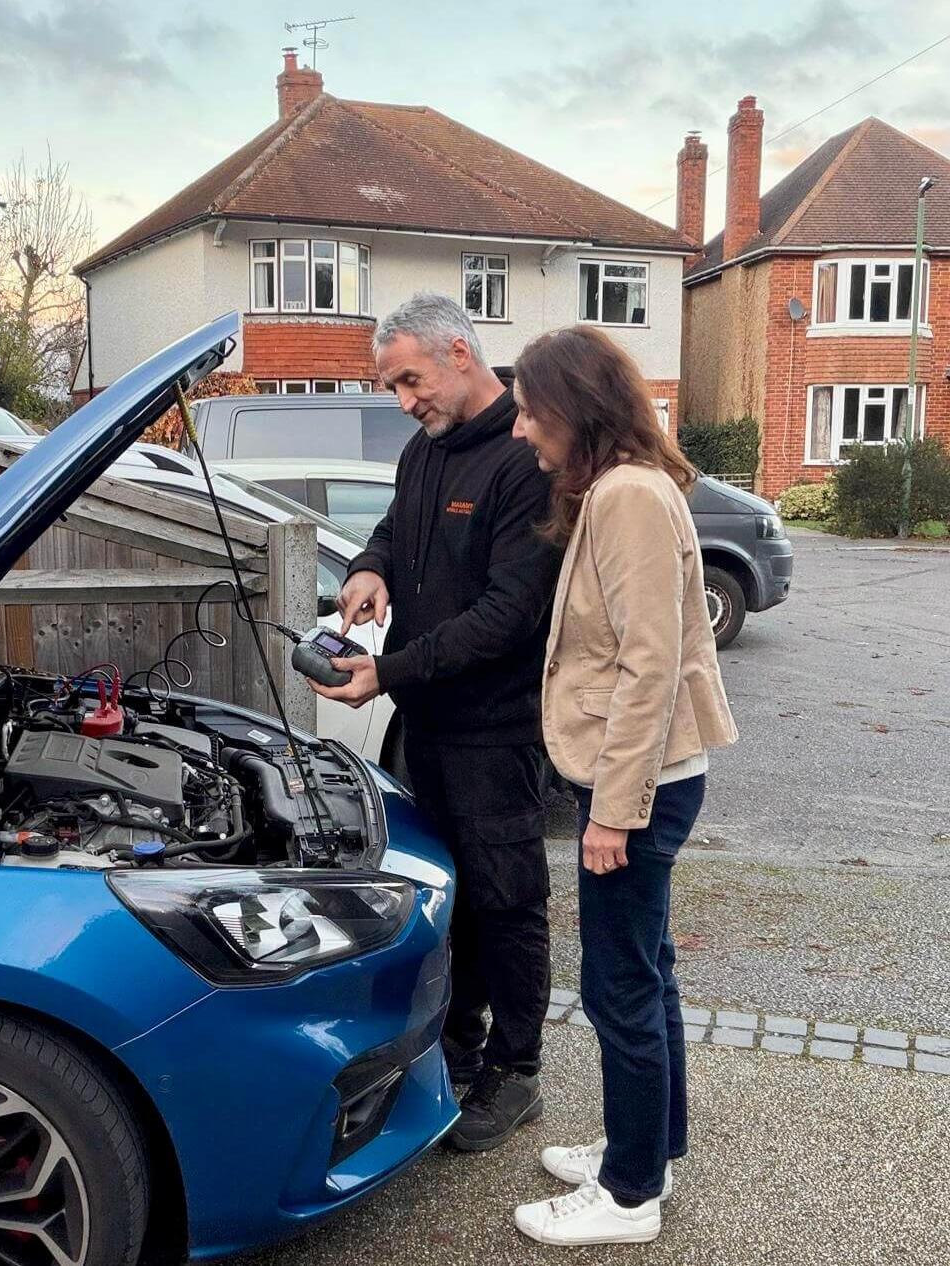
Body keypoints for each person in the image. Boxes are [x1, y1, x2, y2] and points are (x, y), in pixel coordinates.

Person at [308, 292, 561, 1152]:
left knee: (509, 903)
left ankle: (517, 1072)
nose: (404, 401)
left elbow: (508, 615)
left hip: (496, 731)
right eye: (393, 387)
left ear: (460, 352)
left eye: (411, 380)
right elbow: (390, 527)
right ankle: (457, 1036)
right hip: (427, 727)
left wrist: (386, 672)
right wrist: (370, 567)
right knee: (444, 895)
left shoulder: (526, 458)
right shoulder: (425, 450)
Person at [507, 325, 738, 1246]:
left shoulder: (630, 497)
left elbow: (651, 665)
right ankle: (654, 1147)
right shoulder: (623, 487)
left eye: (530, 409)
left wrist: (612, 811)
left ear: (575, 407)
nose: (522, 428)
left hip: (636, 786)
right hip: (646, 779)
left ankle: (630, 1193)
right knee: (647, 971)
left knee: (618, 987)